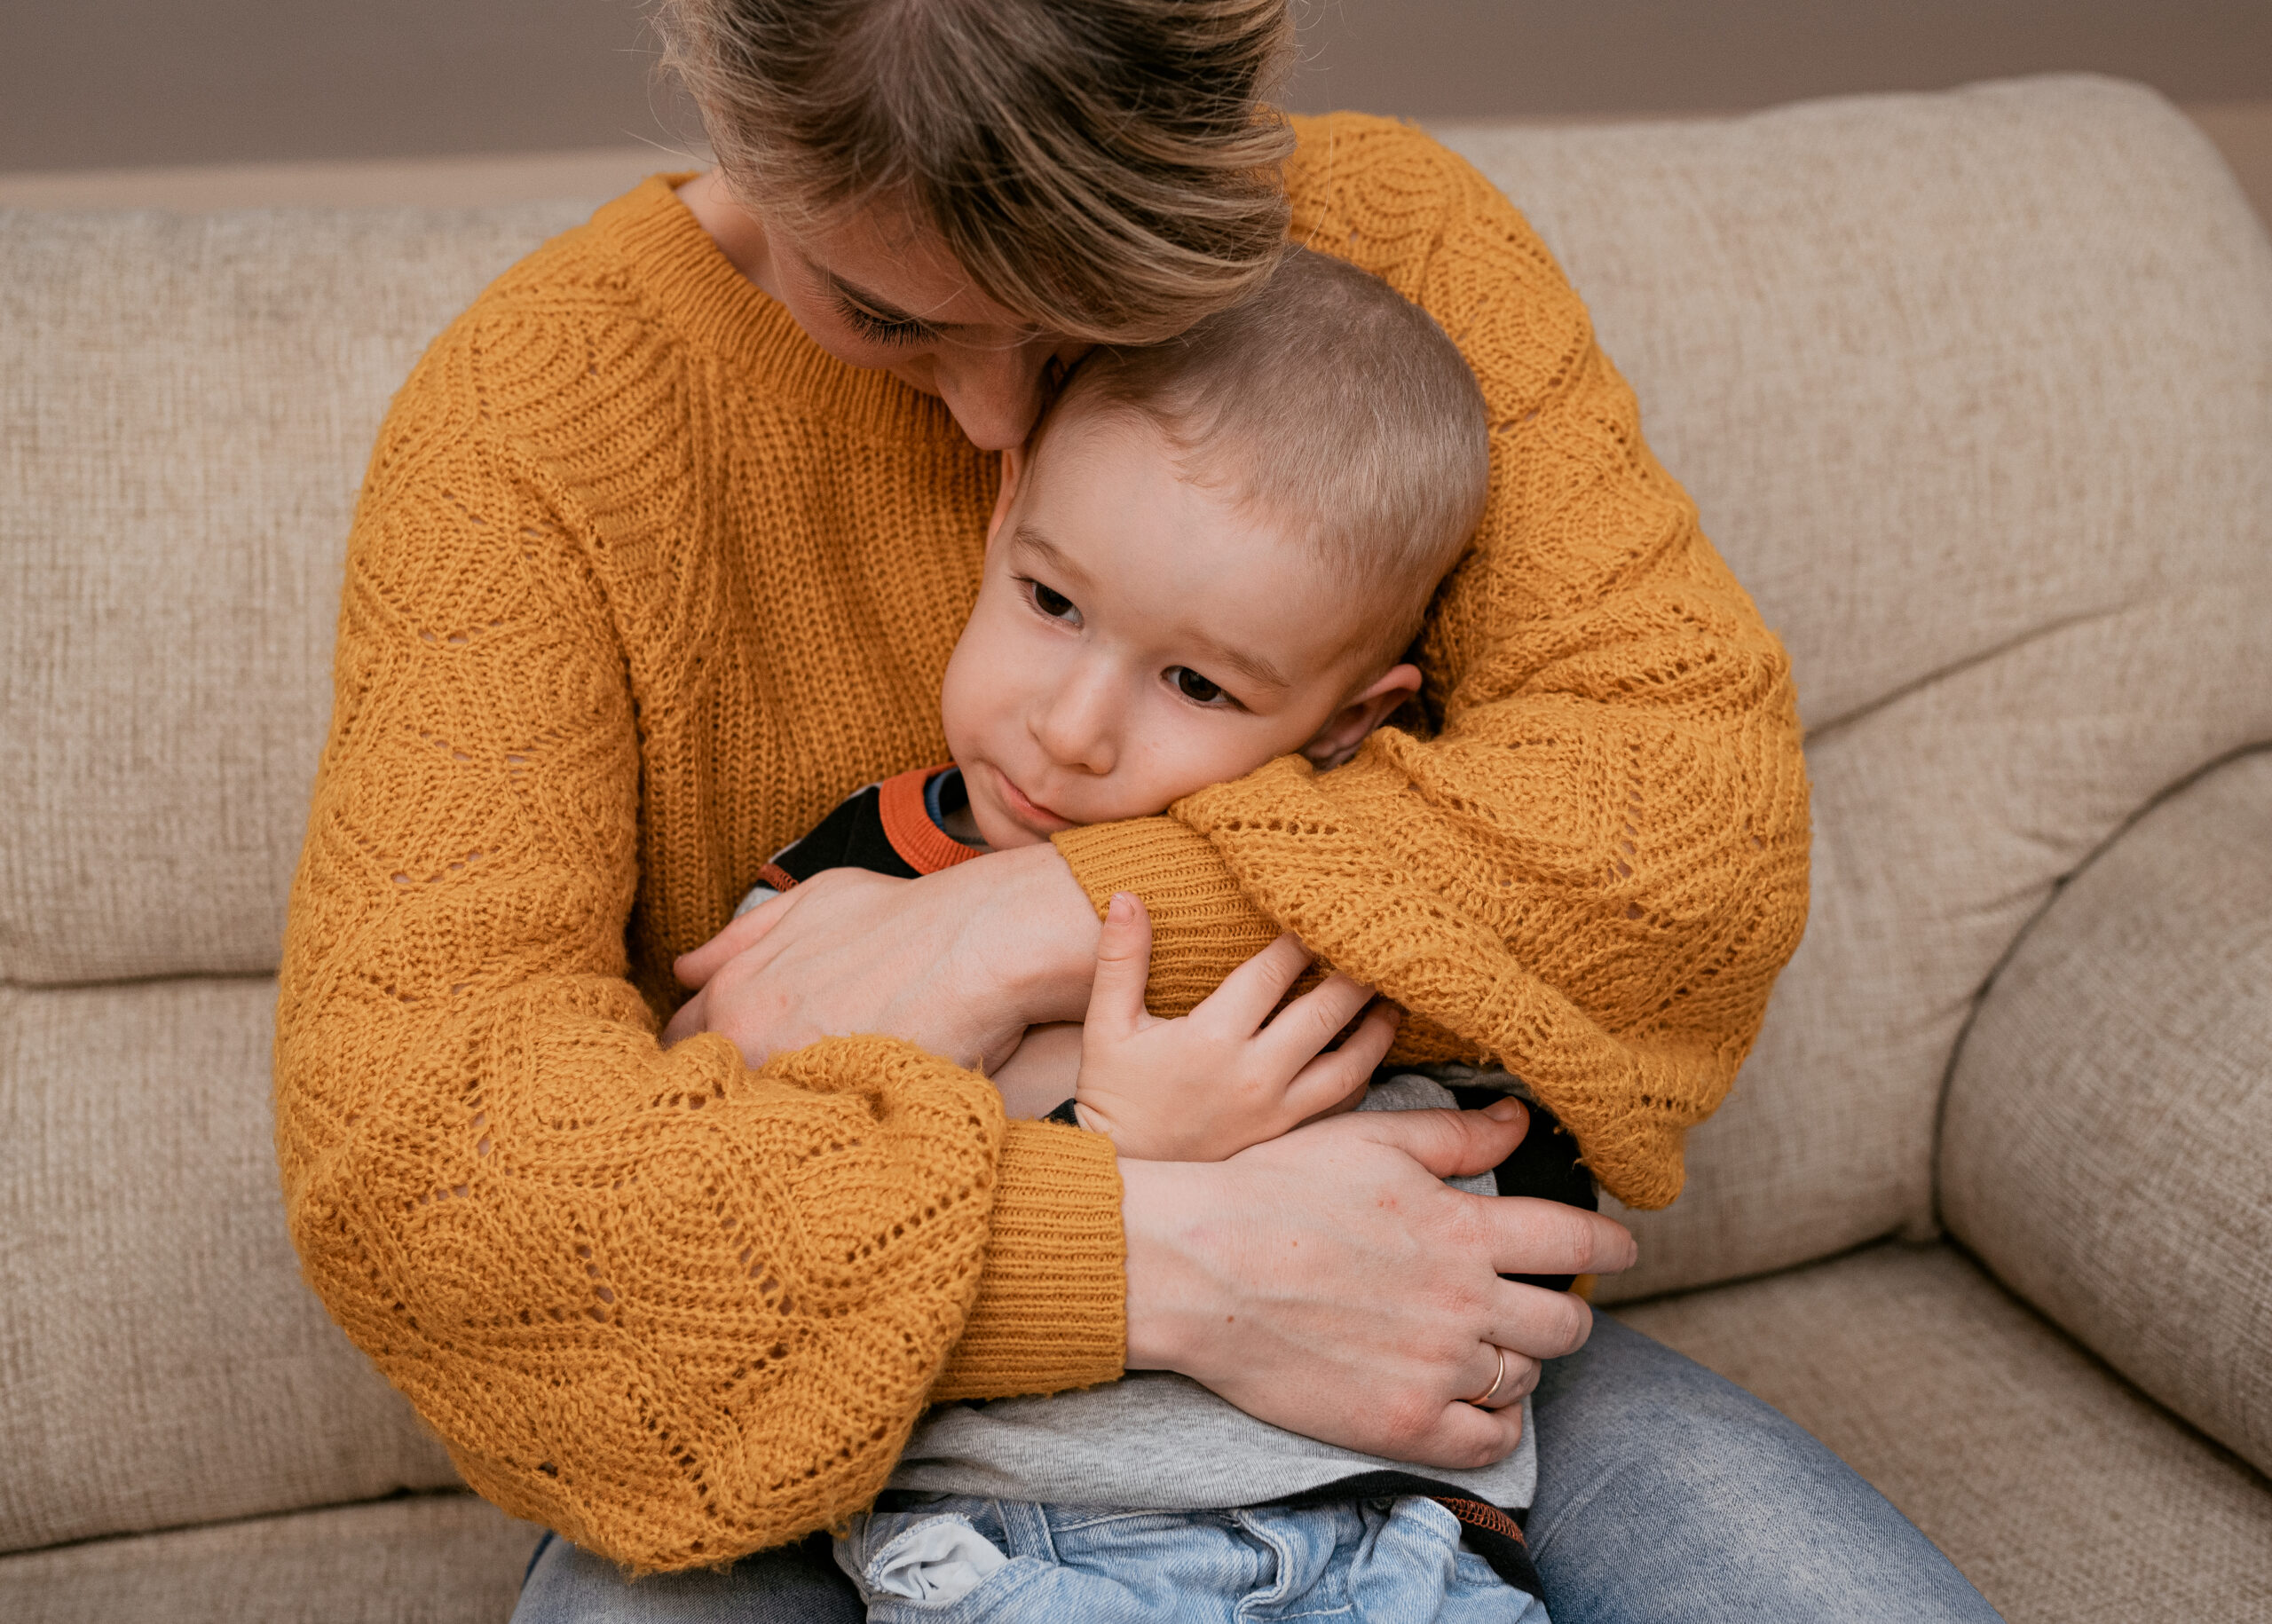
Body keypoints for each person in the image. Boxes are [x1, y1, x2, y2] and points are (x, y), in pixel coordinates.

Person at [270, 1, 1995, 1618]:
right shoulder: (536, 418)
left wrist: (1010, 918)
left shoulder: (1390, 244)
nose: (1000, 422)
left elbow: (1685, 819)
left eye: (1098, 305)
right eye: (887, 313)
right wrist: (1156, 1256)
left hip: (1392, 1356)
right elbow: (429, 1177)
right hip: (836, 1403)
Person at [676, 245, 1554, 1619]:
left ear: (1344, 722)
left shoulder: (1352, 884)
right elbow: (713, 1150)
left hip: (1402, 1535)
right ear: (1003, 513)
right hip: (1032, 1550)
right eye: (1052, 602)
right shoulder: (870, 885)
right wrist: (1115, 1135)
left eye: (1197, 682)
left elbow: (1512, 1175)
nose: (1071, 729)